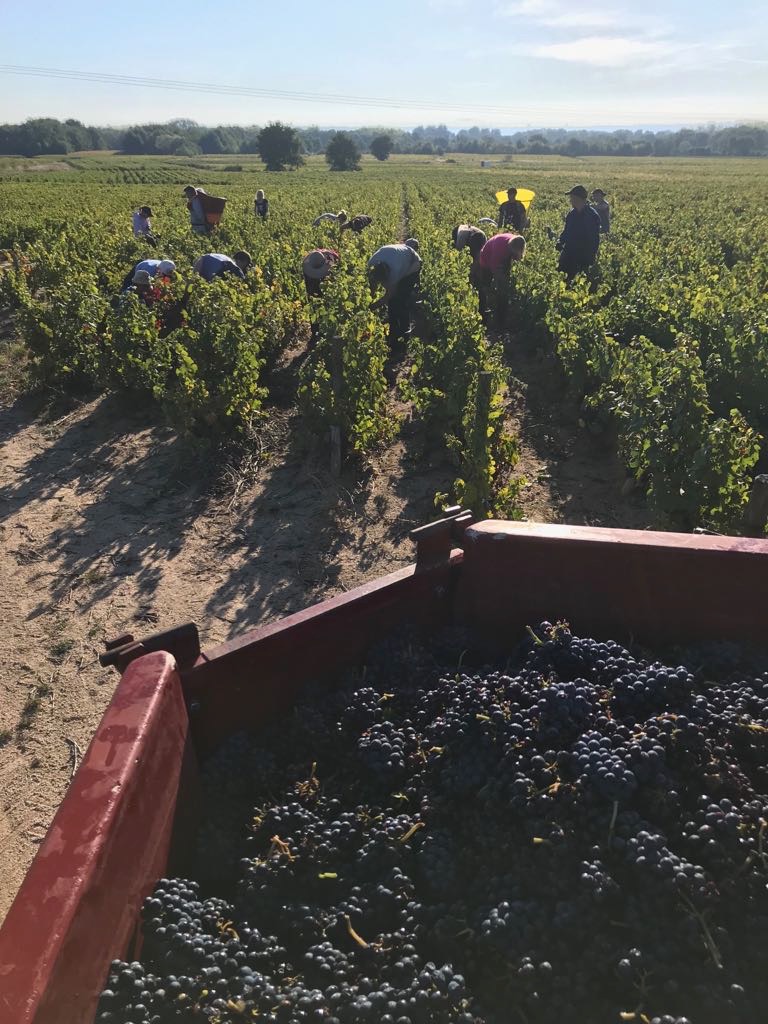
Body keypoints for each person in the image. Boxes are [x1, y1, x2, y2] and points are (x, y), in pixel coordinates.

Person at [367, 239, 422, 345]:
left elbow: (389, 295)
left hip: (413, 263)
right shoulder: (372, 263)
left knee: (400, 299)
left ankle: (404, 332)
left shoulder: (395, 272)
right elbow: (371, 282)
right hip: (398, 255)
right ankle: (393, 324)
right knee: (393, 303)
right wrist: (371, 296)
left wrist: (372, 307)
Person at [474, 232, 526, 320]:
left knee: (503, 288)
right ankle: (484, 311)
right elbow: (494, 268)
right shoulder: (499, 248)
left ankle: (501, 310)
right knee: (487, 285)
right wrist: (501, 283)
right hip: (486, 259)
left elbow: (518, 256)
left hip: (502, 256)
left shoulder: (518, 242)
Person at [557, 184, 601, 281]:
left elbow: (594, 239)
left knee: (576, 282)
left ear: (578, 198)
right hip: (568, 253)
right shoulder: (571, 214)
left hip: (582, 257)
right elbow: (566, 231)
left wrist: (590, 258)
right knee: (561, 278)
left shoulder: (592, 216)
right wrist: (560, 241)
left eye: (571, 197)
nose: (570, 200)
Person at [303, 248, 340, 348]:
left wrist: (328, 282)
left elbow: (335, 277)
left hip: (328, 274)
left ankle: (327, 330)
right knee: (313, 303)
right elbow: (308, 285)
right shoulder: (307, 264)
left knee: (328, 303)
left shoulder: (332, 259)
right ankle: (315, 332)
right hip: (312, 278)